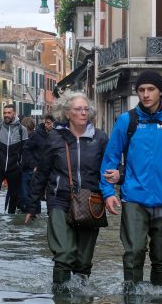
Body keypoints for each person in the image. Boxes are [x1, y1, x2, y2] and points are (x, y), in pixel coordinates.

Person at [99, 70, 162, 289]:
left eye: (150, 89)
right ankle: (132, 302)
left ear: (160, 91)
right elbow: (110, 160)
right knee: (134, 252)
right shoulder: (127, 121)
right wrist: (108, 192)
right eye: (141, 90)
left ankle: (159, 303)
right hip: (134, 198)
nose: (145, 94)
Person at [24, 92, 113, 285]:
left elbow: (114, 167)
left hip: (92, 203)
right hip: (59, 200)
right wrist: (32, 206)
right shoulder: (55, 138)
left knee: (83, 262)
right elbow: (42, 173)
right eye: (78, 109)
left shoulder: (100, 138)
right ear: (66, 113)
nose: (83, 113)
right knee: (64, 255)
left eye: (86, 109)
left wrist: (118, 177)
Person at [0, 104, 28, 214]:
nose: (6, 115)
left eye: (9, 113)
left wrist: (21, 164)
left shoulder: (22, 130)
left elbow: (25, 150)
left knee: (14, 195)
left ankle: (11, 219)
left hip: (14, 168)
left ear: (14, 113)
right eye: (4, 113)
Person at [20, 114, 55, 214]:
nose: (47, 125)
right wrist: (34, 165)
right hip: (33, 171)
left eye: (50, 123)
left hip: (49, 172)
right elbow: (26, 149)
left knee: (45, 199)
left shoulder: (56, 136)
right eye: (46, 123)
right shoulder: (37, 134)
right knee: (29, 198)